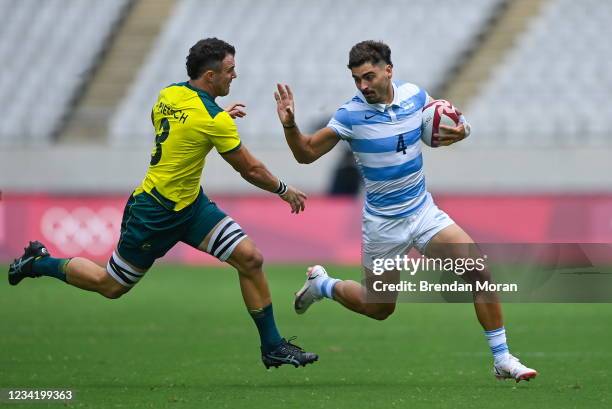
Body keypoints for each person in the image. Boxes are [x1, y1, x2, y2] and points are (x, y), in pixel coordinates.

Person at [8, 37, 317, 369]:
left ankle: (272, 346)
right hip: (153, 213)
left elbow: (182, 126)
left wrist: (216, 120)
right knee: (110, 286)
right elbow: (250, 169)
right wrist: (284, 189)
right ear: (210, 77)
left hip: (191, 207)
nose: (234, 76)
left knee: (250, 259)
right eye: (230, 70)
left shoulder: (168, 94)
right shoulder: (213, 119)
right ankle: (37, 262)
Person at [274, 40, 536, 381]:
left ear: (388, 70)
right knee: (379, 308)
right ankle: (322, 285)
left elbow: (447, 120)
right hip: (383, 225)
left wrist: (462, 130)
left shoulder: (414, 95)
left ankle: (502, 359)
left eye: (369, 76)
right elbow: (305, 154)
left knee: (479, 273)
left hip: (424, 213)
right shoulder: (350, 115)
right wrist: (290, 126)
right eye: (356, 79)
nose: (363, 85)